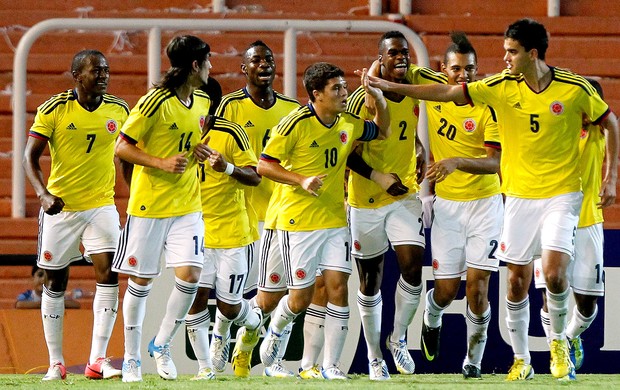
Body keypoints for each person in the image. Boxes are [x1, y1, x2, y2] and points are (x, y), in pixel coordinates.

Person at [361, 18, 618, 381]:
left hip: (537, 197)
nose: (505, 58)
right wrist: (382, 82)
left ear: (531, 54)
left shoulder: (555, 89)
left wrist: (611, 177)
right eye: (503, 51)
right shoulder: (483, 86)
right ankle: (510, 353)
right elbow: (427, 82)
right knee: (493, 284)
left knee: (541, 277)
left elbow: (609, 121)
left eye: (511, 52)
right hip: (493, 201)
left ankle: (545, 347)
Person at [257, 62, 391, 380]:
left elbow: (381, 129)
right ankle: (275, 330)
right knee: (301, 298)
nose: (344, 93)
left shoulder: (348, 122)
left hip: (333, 220)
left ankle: (331, 365)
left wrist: (380, 101)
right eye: (337, 88)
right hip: (297, 221)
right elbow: (264, 165)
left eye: (344, 86)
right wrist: (300, 180)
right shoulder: (294, 124)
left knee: (338, 288)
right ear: (316, 94)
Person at [22, 49, 128, 381]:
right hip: (62, 208)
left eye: (106, 70)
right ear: (76, 75)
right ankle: (56, 363)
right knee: (56, 281)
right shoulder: (54, 109)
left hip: (101, 205)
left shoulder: (119, 109)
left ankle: (98, 360)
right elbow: (30, 156)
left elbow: (129, 151)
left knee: (108, 272)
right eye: (96, 70)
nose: (103, 75)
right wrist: (43, 193)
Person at [111, 35, 212, 382]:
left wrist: (198, 151)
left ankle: (162, 342)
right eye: (208, 61)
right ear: (195, 65)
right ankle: (130, 358)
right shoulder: (154, 102)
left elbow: (188, 140)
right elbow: (122, 147)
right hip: (150, 206)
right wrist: (159, 162)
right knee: (141, 282)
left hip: (188, 205)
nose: (211, 68)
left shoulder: (201, 99)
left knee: (191, 276)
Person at [412, 32, 502, 380]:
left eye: (470, 69)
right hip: (448, 207)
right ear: (442, 69)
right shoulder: (431, 87)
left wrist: (455, 162)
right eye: (457, 69)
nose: (463, 76)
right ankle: (432, 314)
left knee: (478, 289)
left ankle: (473, 361)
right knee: (447, 291)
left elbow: (495, 163)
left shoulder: (487, 104)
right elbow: (394, 69)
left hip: (485, 205)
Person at [216, 40, 301, 378]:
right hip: (242, 215)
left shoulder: (293, 109)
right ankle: (221, 340)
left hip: (282, 214)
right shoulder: (230, 107)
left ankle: (265, 356)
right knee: (241, 296)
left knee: (292, 291)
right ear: (244, 68)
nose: (265, 65)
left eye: (269, 59)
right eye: (256, 60)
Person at [345, 30, 426, 380]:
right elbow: (347, 155)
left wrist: (420, 148)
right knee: (369, 282)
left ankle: (399, 338)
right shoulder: (361, 99)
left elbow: (407, 132)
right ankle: (375, 356)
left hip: (405, 195)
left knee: (413, 266)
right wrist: (378, 176)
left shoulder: (411, 87)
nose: (402, 58)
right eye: (394, 53)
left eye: (404, 53)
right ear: (380, 56)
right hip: (366, 201)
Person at [534, 78, 609, 376]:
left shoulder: (599, 133)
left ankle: (568, 337)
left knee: (588, 304)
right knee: (548, 291)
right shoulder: (556, 130)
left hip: (589, 221)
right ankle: (558, 352)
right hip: (552, 219)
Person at [184, 115, 262, 380]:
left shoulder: (231, 132)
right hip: (196, 230)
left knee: (229, 308)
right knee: (195, 299)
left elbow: (255, 177)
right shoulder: (179, 130)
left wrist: (227, 167)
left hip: (233, 234)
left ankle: (250, 325)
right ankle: (205, 368)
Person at [16, 264, 80, 309]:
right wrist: (46, 304)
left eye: (49, 277)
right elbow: (19, 304)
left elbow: (76, 305)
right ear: (32, 279)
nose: (44, 279)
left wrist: (54, 302)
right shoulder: (27, 295)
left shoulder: (57, 296)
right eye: (40, 275)